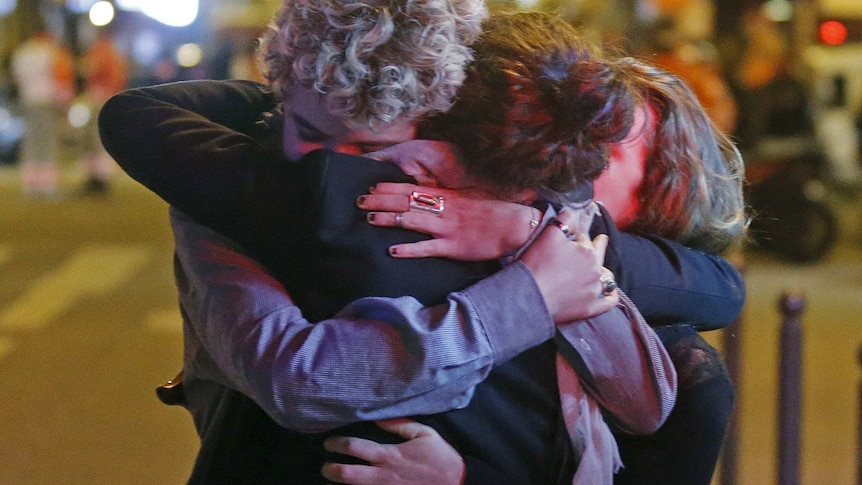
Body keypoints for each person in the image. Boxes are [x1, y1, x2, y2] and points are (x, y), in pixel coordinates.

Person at [100, 8, 743, 485]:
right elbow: (297, 375)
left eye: (373, 151)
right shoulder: (263, 189)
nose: (343, 168)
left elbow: (717, 296)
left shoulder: (572, 243)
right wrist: (527, 289)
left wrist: (527, 234)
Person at [10, 30, 75, 197]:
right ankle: (48, 184)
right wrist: (65, 101)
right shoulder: (51, 52)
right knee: (48, 142)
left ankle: (31, 183)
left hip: (29, 101)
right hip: (48, 101)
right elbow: (62, 75)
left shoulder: (22, 52)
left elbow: (17, 78)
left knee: (31, 141)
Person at [78, 30, 128, 195]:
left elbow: (90, 71)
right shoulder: (115, 53)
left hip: (99, 97)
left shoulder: (100, 52)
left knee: (95, 138)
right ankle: (100, 176)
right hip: (109, 97)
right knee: (99, 138)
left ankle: (98, 177)